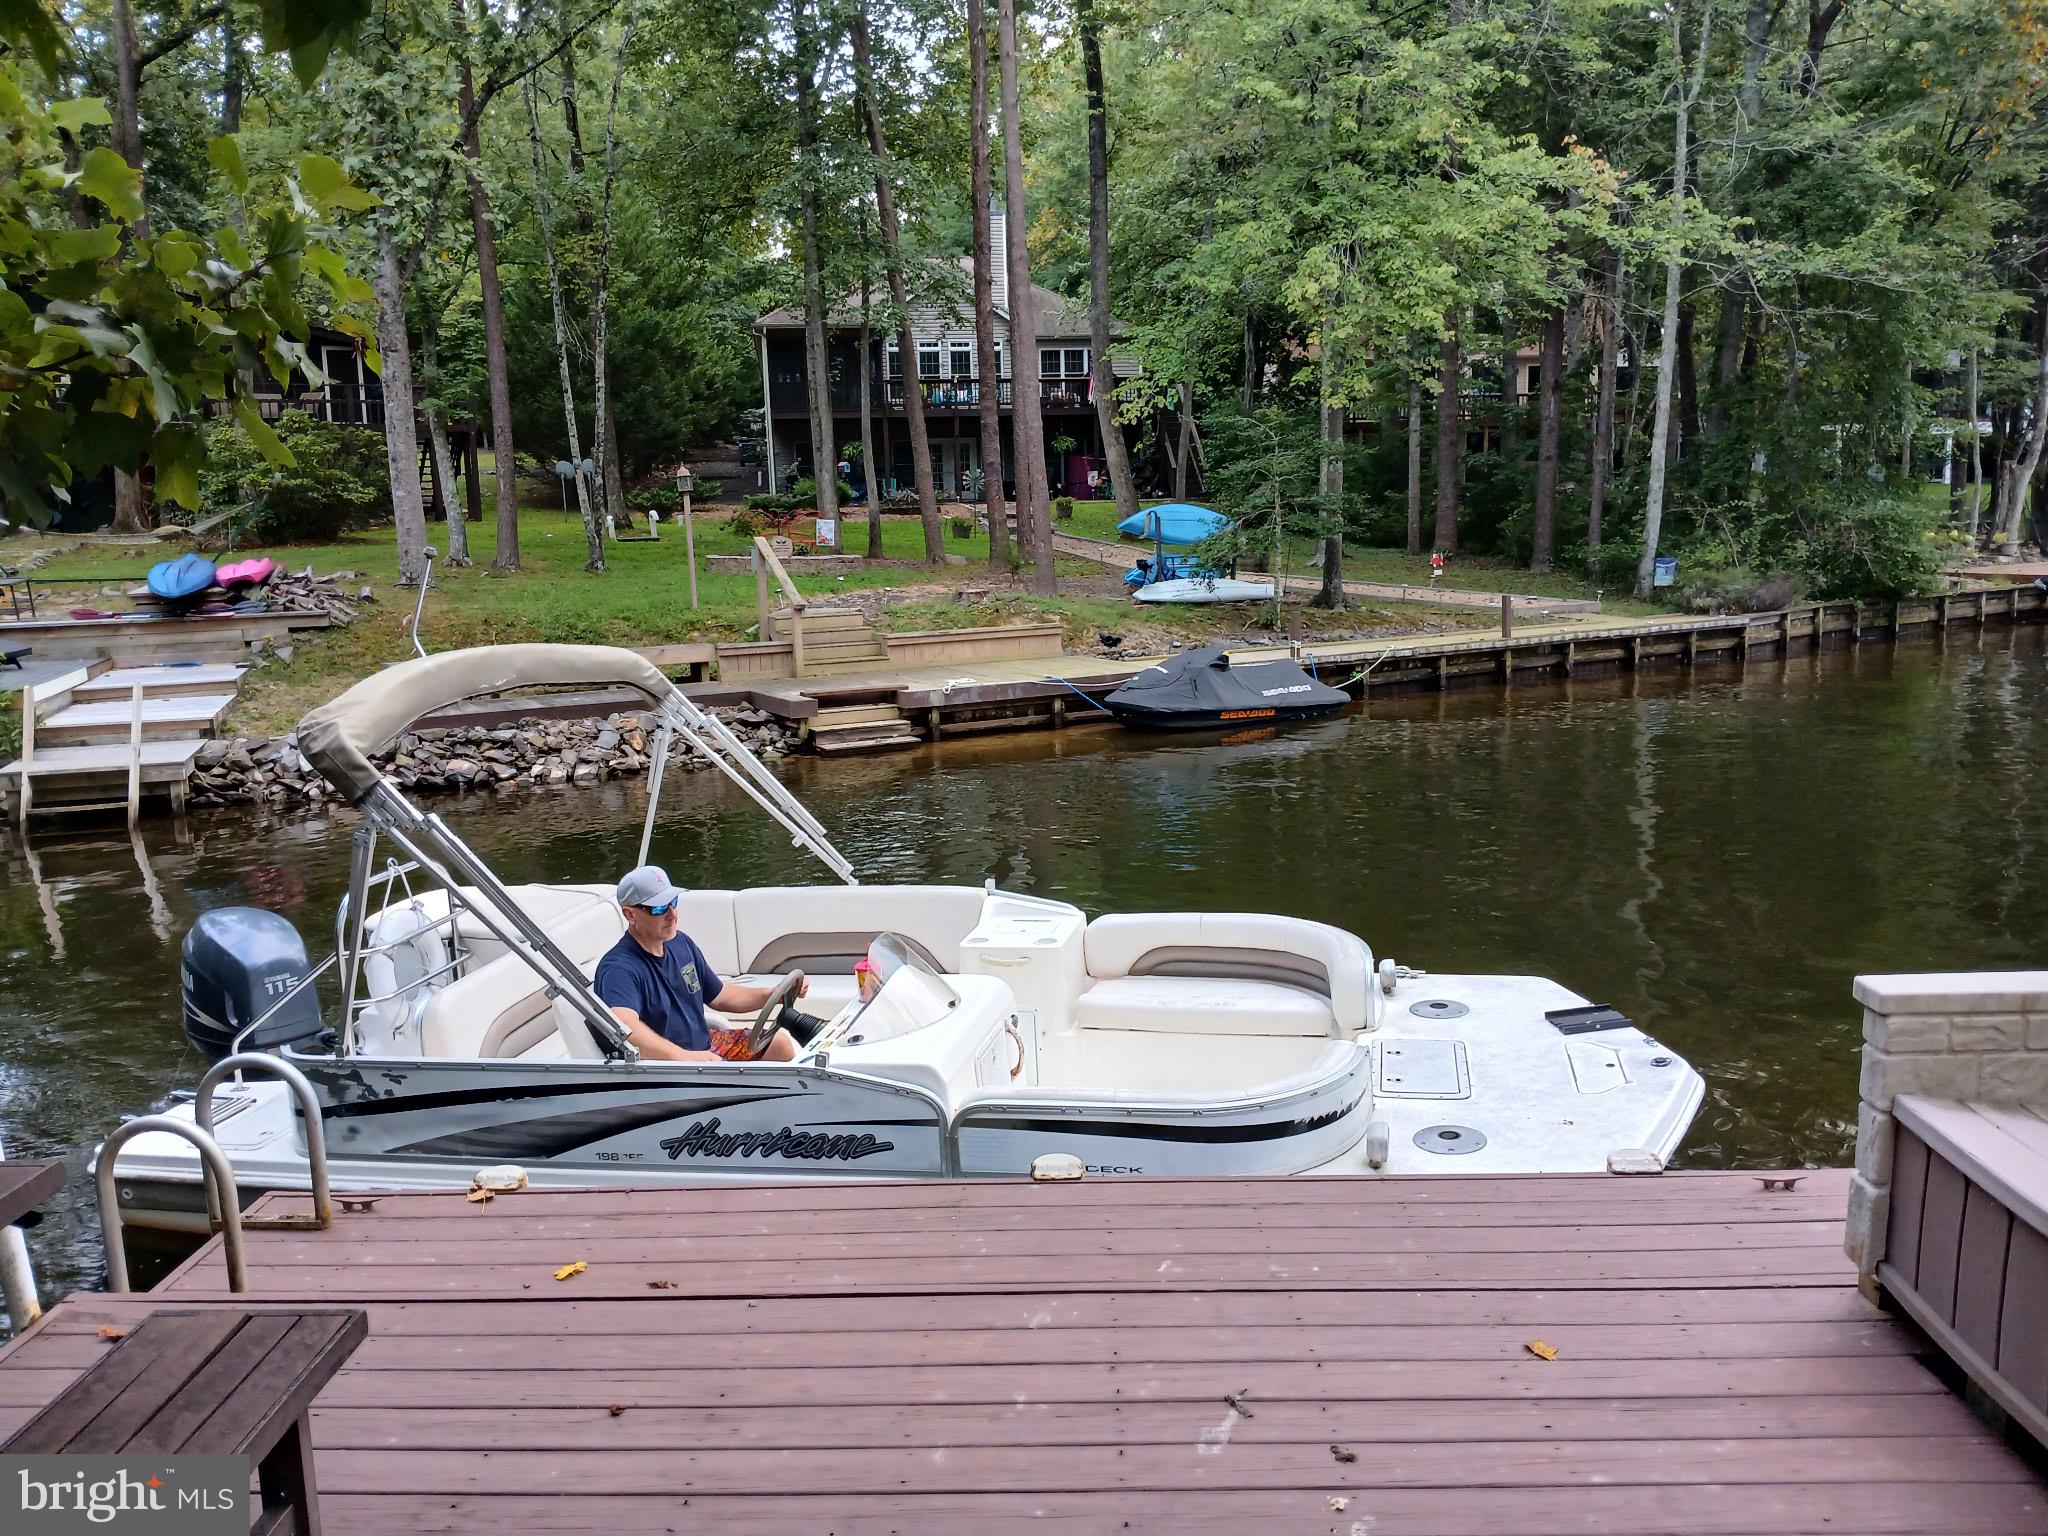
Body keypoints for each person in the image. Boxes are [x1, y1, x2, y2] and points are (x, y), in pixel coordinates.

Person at [595, 865, 813, 1063]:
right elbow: (625, 1027)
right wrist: (682, 1057)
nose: (672, 915)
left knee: (779, 1044)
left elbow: (720, 996)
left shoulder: (680, 943)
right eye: (659, 909)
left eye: (673, 903)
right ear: (630, 914)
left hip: (704, 1046)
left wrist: (773, 995)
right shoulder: (618, 968)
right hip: (666, 1066)